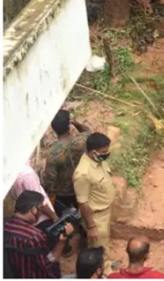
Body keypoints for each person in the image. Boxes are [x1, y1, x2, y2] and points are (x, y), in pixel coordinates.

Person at [73, 132, 116, 277]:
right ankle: (104, 274)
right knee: (98, 250)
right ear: (93, 152)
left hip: (105, 212)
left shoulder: (97, 160)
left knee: (103, 244)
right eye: (104, 152)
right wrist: (91, 226)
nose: (106, 154)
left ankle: (107, 265)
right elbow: (83, 202)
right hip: (96, 217)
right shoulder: (83, 173)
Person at [4, 190, 73, 278]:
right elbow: (48, 263)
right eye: (41, 209)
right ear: (34, 210)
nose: (41, 212)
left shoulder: (4, 224)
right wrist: (62, 241)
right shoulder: (34, 236)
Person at [44, 110, 92, 214]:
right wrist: (75, 123)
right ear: (69, 125)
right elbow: (88, 131)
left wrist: (48, 191)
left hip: (63, 193)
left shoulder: (52, 154)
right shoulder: (81, 141)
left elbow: (49, 179)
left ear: (53, 128)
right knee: (81, 211)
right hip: (80, 186)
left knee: (64, 216)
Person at [10, 159, 59, 231]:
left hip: (26, 219)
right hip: (42, 219)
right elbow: (40, 202)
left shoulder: (9, 174)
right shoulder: (27, 174)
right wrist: (54, 217)